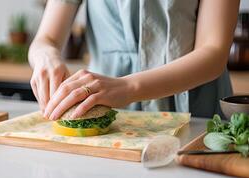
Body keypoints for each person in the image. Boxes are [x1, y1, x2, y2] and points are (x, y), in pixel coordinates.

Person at [28, 0, 240, 120]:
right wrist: (45, 56)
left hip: (199, 113)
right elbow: (46, 39)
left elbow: (214, 51)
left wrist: (128, 87)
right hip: (108, 118)